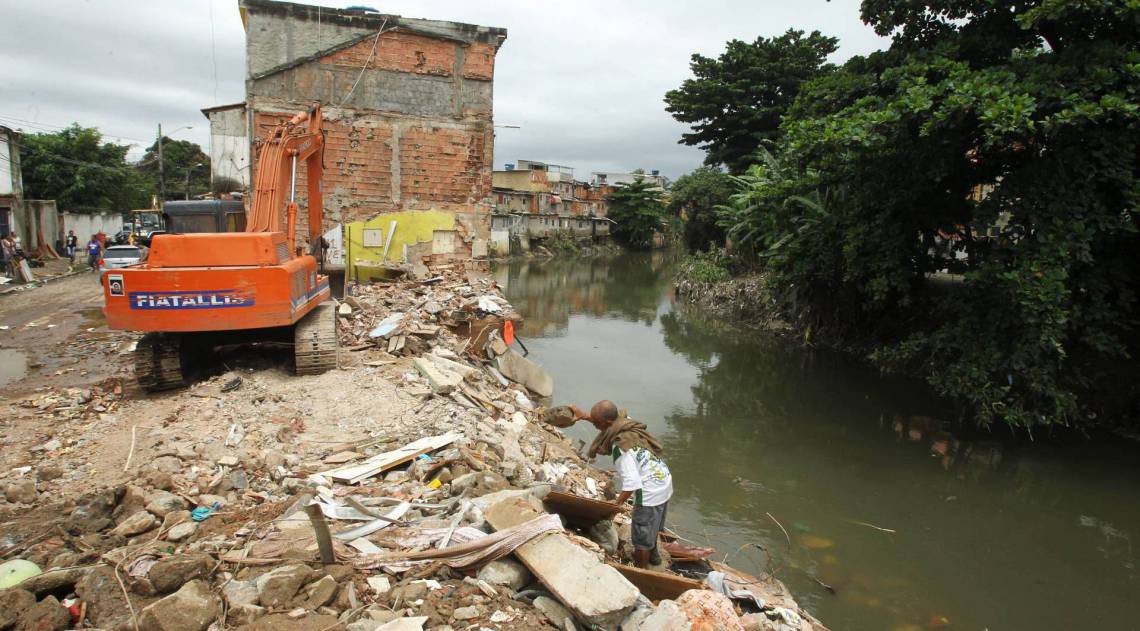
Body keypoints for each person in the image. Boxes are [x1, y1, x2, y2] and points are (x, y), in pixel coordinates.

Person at [570, 400, 673, 568]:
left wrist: (613, 508)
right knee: (652, 525)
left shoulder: (621, 449)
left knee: (641, 535)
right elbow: (604, 421)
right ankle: (654, 557)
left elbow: (631, 485)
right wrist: (584, 416)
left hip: (649, 491)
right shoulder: (626, 423)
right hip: (663, 479)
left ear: (607, 423)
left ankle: (641, 572)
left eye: (596, 423)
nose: (595, 426)